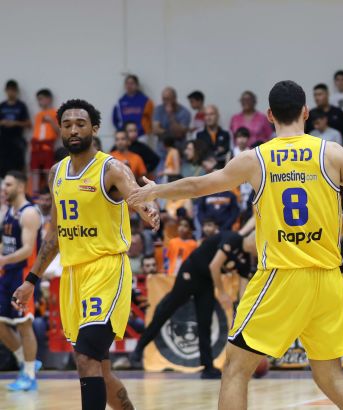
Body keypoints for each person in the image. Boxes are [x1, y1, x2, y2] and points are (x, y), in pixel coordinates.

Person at [127, 80, 343, 410]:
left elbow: (198, 186)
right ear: (306, 112)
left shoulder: (255, 159)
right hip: (327, 280)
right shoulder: (332, 152)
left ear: (269, 115)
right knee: (331, 377)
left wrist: (156, 191)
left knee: (235, 370)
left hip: (283, 275)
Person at [12, 99, 160, 410]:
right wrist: (31, 280)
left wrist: (149, 207)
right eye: (67, 125)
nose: (73, 130)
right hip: (73, 275)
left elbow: (137, 197)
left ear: (94, 128)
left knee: (85, 356)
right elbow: (55, 235)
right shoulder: (56, 173)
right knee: (99, 368)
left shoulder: (111, 168)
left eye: (80, 124)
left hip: (106, 270)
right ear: (60, 130)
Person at [129, 230, 249, 378]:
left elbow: (243, 287)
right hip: (191, 271)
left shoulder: (246, 259)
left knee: (205, 322)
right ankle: (139, 348)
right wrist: (222, 293)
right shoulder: (233, 239)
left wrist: (243, 308)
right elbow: (214, 266)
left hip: (206, 281)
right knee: (166, 310)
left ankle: (208, 367)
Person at [0, 172, 42, 391]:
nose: (4, 188)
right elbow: (7, 243)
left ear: (20, 186)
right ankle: (26, 360)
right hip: (7, 274)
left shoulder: (29, 213)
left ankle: (29, 375)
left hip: (23, 275)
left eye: (8, 185)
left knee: (24, 325)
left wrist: (3, 259)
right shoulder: (8, 212)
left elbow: (27, 249)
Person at [0, 80, 31, 177]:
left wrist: (15, 123)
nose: (11, 93)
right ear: (6, 91)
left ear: (16, 91)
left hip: (17, 138)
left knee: (19, 164)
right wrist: (3, 122)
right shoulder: (2, 106)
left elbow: (28, 124)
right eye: (9, 90)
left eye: (13, 90)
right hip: (3, 139)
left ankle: (20, 182)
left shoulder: (21, 106)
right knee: (3, 164)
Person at [31, 89, 60, 192]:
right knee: (35, 170)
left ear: (49, 99)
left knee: (48, 169)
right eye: (38, 99)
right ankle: (34, 192)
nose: (39, 102)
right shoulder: (38, 115)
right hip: (36, 146)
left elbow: (59, 132)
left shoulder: (55, 113)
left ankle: (50, 192)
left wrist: (51, 121)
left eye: (41, 99)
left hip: (48, 145)